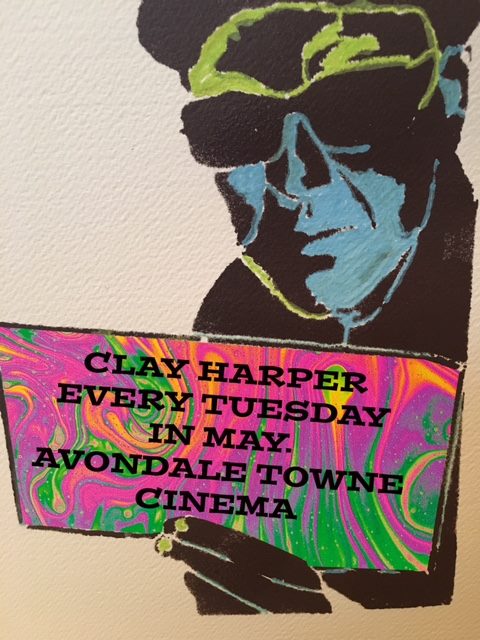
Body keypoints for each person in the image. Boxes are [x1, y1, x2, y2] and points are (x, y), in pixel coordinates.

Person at [138, 0, 479, 613]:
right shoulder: (229, 325)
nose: (298, 178)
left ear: (450, 97)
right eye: (238, 127)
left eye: (355, 106)